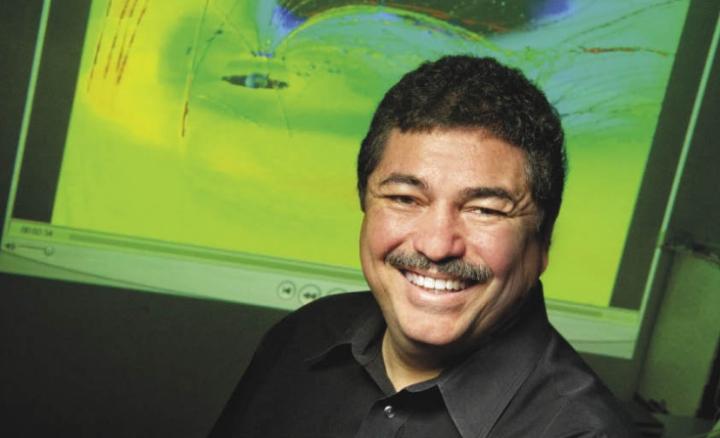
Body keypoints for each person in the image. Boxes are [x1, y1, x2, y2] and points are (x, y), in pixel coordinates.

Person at [209, 55, 637, 437]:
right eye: (404, 199)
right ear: (365, 204)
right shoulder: (302, 337)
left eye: (485, 209)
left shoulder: (581, 432)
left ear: (543, 241)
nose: (435, 246)